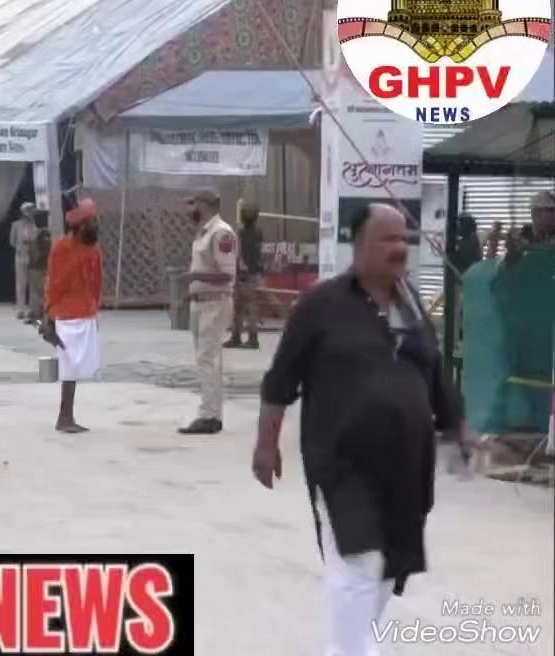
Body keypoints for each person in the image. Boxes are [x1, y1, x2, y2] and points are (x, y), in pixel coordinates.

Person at [254, 204, 469, 656]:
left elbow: (435, 378)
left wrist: (460, 430)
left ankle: (348, 647)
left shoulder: (411, 306)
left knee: (389, 568)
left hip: (407, 465)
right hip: (341, 460)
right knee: (356, 561)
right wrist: (265, 443)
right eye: (387, 239)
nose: (399, 249)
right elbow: (280, 378)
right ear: (359, 246)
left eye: (404, 240)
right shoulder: (321, 305)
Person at [179, 189, 238, 435]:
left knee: (208, 358)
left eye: (193, 204)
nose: (190, 209)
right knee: (207, 359)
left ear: (206, 204)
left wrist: (195, 276)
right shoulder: (204, 232)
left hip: (215, 302)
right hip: (201, 302)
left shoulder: (221, 233)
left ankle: (210, 415)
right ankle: (212, 413)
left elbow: (227, 275)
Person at [42, 199, 103, 434]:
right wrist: (49, 314)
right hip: (66, 315)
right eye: (92, 222)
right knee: (69, 367)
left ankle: (67, 415)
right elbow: (54, 283)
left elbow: (97, 282)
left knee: (76, 369)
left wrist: (95, 309)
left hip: (86, 313)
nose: (96, 225)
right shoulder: (61, 248)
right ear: (80, 225)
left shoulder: (94, 249)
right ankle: (64, 417)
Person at [226, 201, 264, 349]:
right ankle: (242, 337)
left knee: (242, 307)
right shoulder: (258, 232)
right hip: (253, 272)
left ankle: (246, 338)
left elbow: (239, 253)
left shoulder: (242, 234)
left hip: (243, 273)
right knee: (246, 306)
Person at [8, 203, 39, 319]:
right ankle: (21, 309)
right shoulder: (16, 225)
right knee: (21, 284)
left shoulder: (35, 225)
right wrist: (20, 247)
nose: (30, 213)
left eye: (32, 210)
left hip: (33, 258)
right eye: (28, 210)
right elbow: (12, 241)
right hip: (20, 256)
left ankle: (32, 309)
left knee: (33, 284)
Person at [26, 210, 52, 324]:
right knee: (39, 291)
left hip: (38, 266)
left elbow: (42, 251)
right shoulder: (43, 233)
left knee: (38, 291)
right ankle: (38, 313)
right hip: (41, 265)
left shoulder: (42, 234)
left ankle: (38, 314)